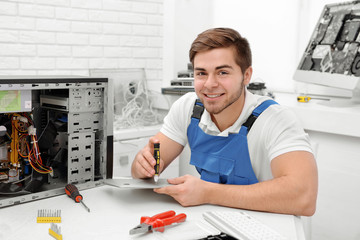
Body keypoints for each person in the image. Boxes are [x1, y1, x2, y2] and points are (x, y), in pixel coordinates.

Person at [131, 27, 318, 216]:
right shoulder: (187, 108)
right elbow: (148, 166)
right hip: (212, 223)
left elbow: (304, 197)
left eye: (222, 73)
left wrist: (208, 193)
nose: (210, 84)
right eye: (201, 73)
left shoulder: (276, 119)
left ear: (246, 75)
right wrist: (141, 166)